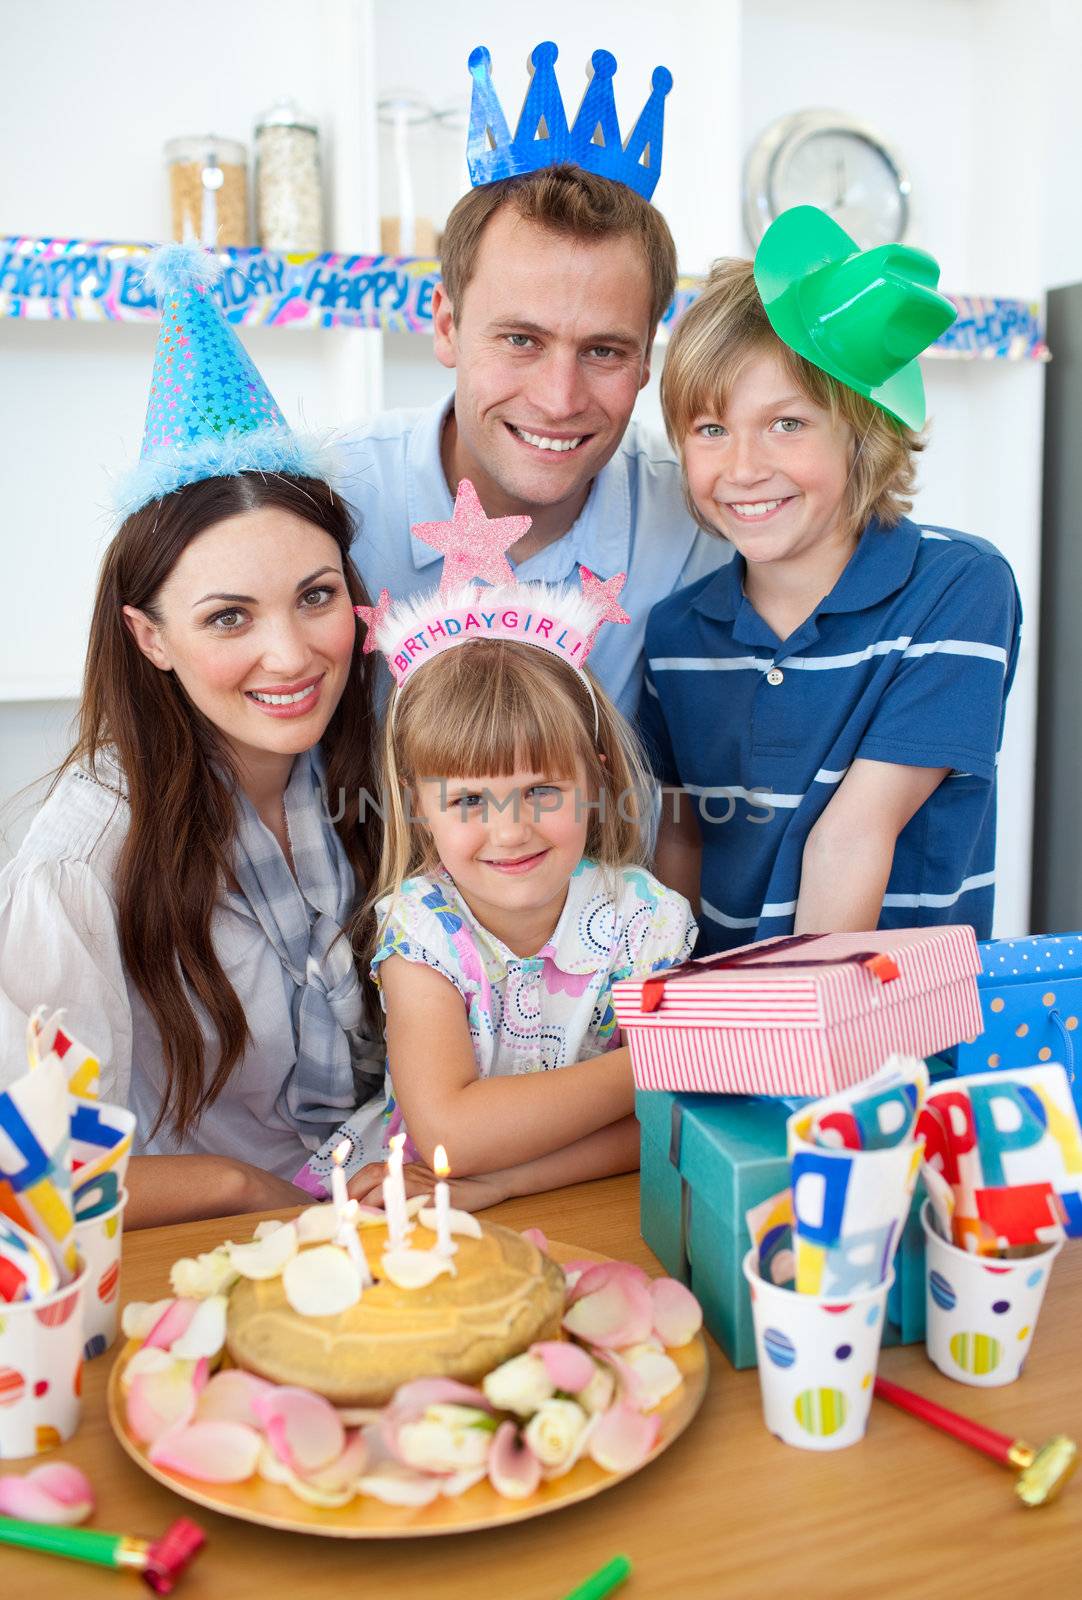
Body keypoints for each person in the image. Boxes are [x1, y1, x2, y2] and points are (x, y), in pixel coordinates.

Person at [0, 245, 384, 1227]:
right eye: (227, 618)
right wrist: (246, 1190)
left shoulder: (382, 767)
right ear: (150, 636)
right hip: (207, 1257)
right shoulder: (84, 856)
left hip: (396, 1214)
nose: (291, 654)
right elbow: (28, 1163)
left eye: (316, 596)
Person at [294, 498, 696, 1210]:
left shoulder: (645, 921)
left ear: (596, 777)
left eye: (541, 790)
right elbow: (450, 1139)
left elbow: (670, 1131)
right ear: (419, 805)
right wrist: (656, 1066)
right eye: (470, 803)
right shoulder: (426, 928)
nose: (510, 832)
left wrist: (502, 1182)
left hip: (550, 1199)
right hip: (408, 1205)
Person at [640, 205, 1022, 953]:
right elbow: (679, 849)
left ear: (862, 431)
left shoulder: (956, 588)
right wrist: (667, 1015)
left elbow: (851, 835)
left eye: (788, 424)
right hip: (719, 1038)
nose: (744, 468)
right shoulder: (675, 637)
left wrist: (794, 1057)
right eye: (711, 430)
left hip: (889, 1036)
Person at [340, 41, 728, 720]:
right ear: (447, 327)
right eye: (521, 340)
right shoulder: (327, 505)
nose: (558, 399)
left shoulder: (704, 517)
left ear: (645, 360)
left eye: (604, 351)